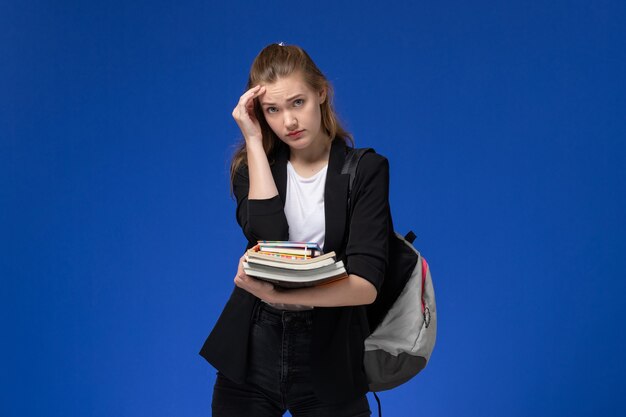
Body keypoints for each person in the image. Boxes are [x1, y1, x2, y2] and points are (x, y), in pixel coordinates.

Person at [199, 42, 393, 416]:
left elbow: (367, 285)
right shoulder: (252, 169)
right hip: (253, 349)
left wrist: (289, 298)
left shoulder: (365, 171)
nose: (288, 121)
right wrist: (254, 141)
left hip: (330, 352)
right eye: (272, 110)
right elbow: (268, 241)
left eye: (297, 103)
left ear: (321, 93)